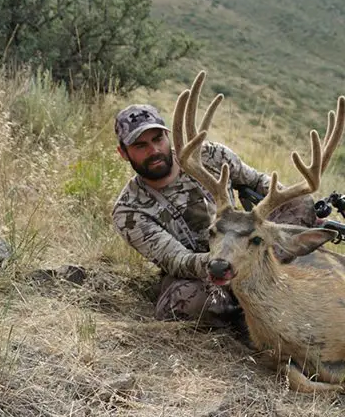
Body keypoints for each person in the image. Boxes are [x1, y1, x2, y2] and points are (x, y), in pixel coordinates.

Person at [111, 102, 317, 330]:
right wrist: (224, 262)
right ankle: (249, 310)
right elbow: (177, 261)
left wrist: (288, 208)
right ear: (123, 153)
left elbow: (258, 182)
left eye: (158, 139)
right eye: (140, 146)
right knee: (184, 302)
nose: (154, 151)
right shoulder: (130, 211)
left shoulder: (211, 156)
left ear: (168, 136)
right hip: (204, 273)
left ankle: (266, 281)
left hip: (249, 250)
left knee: (300, 203)